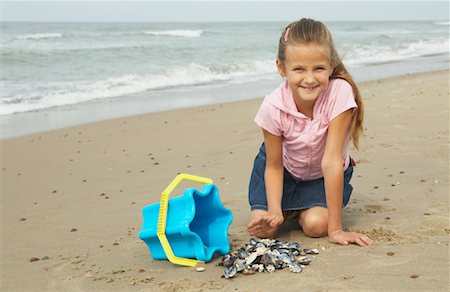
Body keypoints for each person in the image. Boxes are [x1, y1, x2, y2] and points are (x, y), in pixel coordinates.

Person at [247, 18, 373, 246]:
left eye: (319, 69)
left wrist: (336, 230)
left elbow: (332, 162)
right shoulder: (273, 107)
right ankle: (285, 210)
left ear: (331, 66)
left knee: (316, 226)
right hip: (282, 173)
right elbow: (274, 166)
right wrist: (274, 213)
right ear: (281, 68)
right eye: (298, 69)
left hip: (321, 177)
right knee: (265, 229)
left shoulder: (340, 94)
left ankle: (304, 210)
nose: (309, 79)